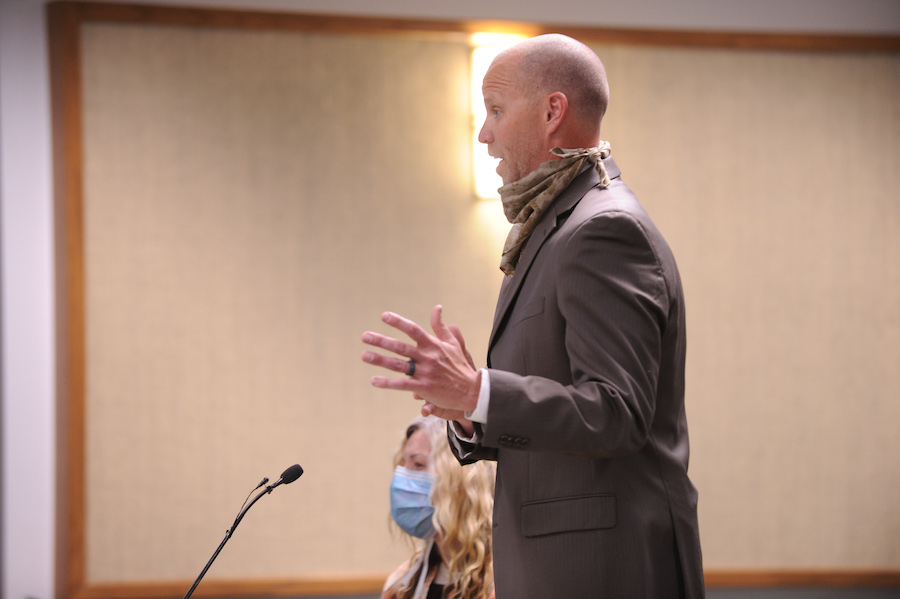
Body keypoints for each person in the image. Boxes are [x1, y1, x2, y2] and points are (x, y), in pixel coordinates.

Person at [362, 33, 704, 598]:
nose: (484, 133)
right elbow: (557, 412)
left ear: (552, 112)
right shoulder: (554, 228)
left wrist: (483, 391)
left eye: (496, 110)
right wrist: (471, 411)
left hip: (607, 570)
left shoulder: (604, 229)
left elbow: (618, 413)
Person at [383, 415, 496, 599]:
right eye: (404, 464)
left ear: (461, 481)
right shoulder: (402, 584)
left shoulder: (507, 582)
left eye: (418, 464)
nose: (402, 478)